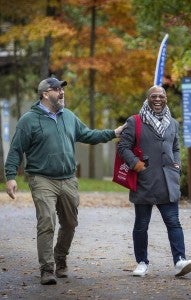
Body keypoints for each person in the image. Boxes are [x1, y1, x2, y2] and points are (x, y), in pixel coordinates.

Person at [5, 77, 125, 285]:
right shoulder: (29, 120)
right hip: (41, 178)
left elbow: (87, 135)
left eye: (62, 89)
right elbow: (16, 149)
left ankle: (60, 257)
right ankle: (47, 269)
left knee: (70, 223)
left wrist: (113, 133)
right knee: (46, 221)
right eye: (57, 89)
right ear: (45, 94)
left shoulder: (68, 116)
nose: (62, 93)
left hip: (68, 179)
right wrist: (10, 176)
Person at [117, 85, 191, 277]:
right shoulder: (134, 121)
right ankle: (142, 262)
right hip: (145, 180)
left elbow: (175, 147)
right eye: (154, 96)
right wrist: (136, 164)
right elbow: (123, 147)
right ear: (147, 98)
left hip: (168, 181)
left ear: (166, 98)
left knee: (174, 222)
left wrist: (177, 164)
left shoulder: (173, 123)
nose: (158, 99)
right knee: (142, 224)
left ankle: (180, 261)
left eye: (161, 96)